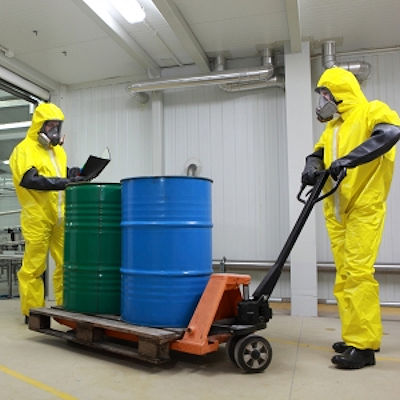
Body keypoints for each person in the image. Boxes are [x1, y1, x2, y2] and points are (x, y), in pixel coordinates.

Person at [302, 67, 400, 369]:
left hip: (364, 208)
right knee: (344, 277)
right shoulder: (332, 129)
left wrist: (348, 160)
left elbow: (389, 134)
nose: (323, 101)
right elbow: (317, 153)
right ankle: (352, 335)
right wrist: (311, 165)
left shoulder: (372, 110)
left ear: (340, 92)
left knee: (358, 274)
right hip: (337, 212)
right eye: (321, 96)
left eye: (326, 94)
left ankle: (365, 347)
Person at [9, 102, 88, 323]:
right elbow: (30, 179)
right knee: (34, 266)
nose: (54, 131)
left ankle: (66, 305)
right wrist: (65, 182)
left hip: (60, 216)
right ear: (39, 126)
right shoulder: (24, 149)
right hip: (37, 217)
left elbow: (58, 173)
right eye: (50, 125)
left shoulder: (58, 151)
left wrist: (76, 173)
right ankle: (32, 311)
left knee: (66, 263)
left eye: (57, 126)